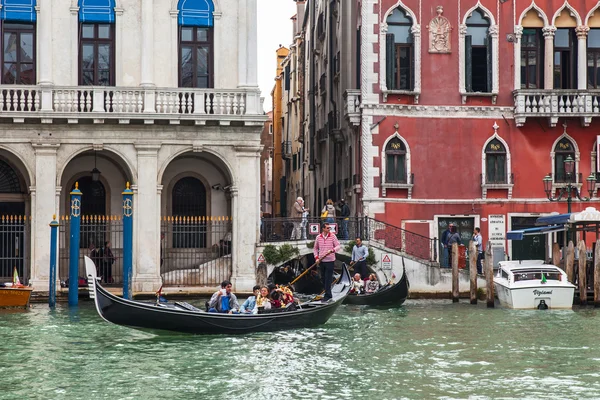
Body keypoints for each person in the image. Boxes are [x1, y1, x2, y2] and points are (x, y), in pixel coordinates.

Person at [314, 223, 340, 302]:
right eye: (328, 228)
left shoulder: (332, 236)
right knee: (323, 278)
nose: (329, 229)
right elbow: (315, 249)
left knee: (328, 278)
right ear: (323, 229)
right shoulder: (318, 237)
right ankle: (327, 293)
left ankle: (328, 295)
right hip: (322, 261)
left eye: (329, 228)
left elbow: (338, 246)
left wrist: (332, 250)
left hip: (330, 261)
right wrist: (317, 258)